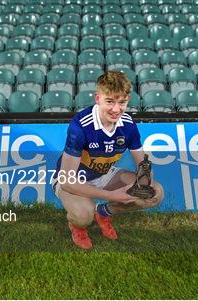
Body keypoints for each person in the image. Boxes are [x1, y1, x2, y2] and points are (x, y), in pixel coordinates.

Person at [53, 71, 164, 250]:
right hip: (73, 179)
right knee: (83, 215)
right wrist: (113, 195)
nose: (116, 109)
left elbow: (143, 162)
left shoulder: (128, 124)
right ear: (98, 98)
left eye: (122, 102)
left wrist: (142, 185)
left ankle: (103, 212)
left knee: (156, 194)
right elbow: (67, 181)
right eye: (110, 101)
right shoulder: (80, 125)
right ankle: (78, 225)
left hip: (105, 175)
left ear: (128, 99)